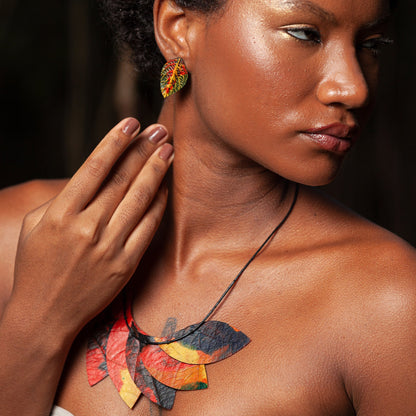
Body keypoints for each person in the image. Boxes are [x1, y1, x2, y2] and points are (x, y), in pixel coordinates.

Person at [0, 0, 415, 415]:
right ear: (178, 28)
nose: (353, 88)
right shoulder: (13, 236)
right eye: (305, 34)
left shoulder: (389, 305)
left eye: (372, 44)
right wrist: (36, 323)